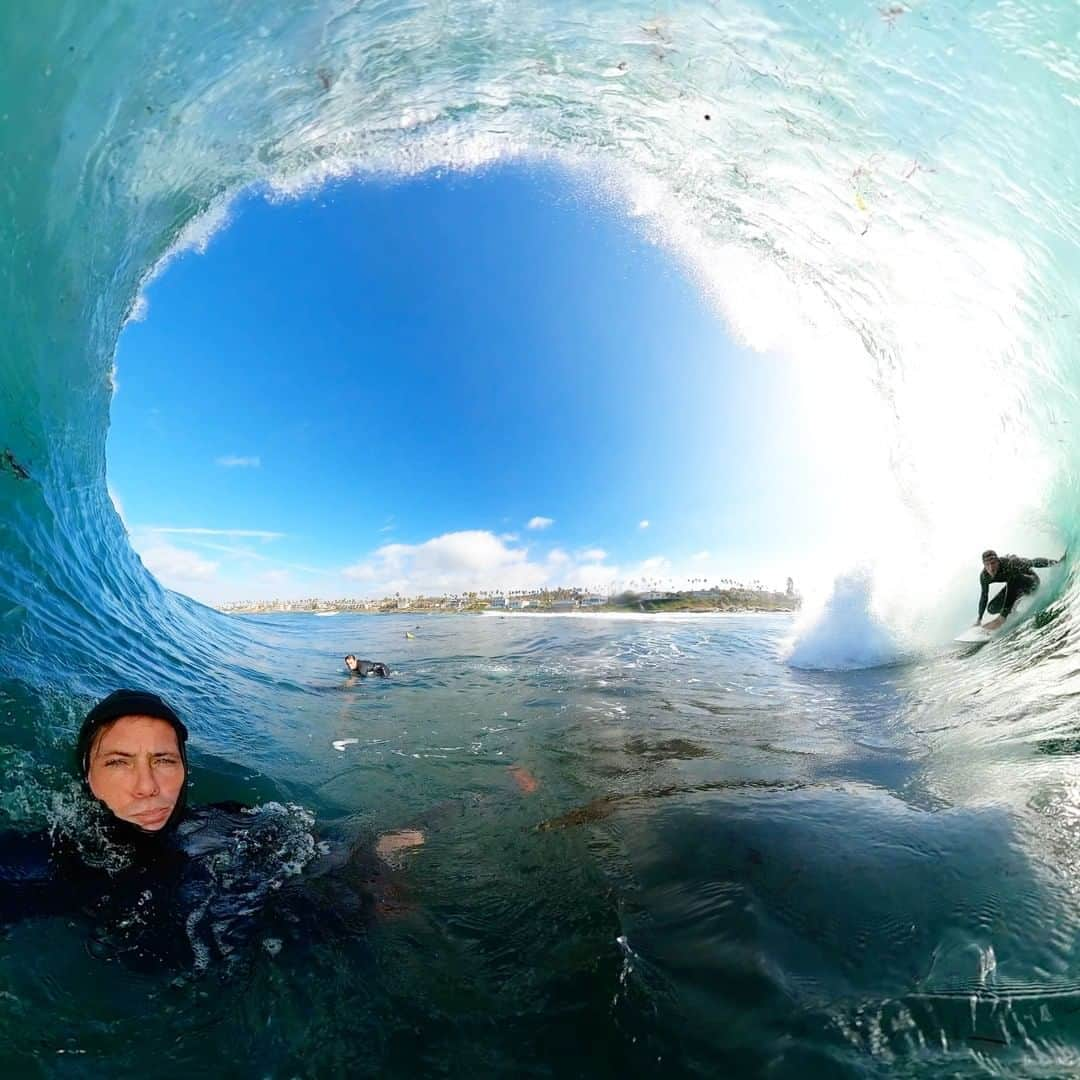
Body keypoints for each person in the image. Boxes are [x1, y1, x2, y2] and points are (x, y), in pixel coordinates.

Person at [0, 689, 422, 970]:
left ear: (184, 769)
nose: (147, 787)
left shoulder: (223, 820)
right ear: (87, 777)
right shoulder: (52, 858)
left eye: (164, 760)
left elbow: (324, 844)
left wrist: (376, 858)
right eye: (118, 762)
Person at [976, 549, 1062, 631]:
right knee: (992, 608)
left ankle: (1003, 617)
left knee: (1013, 578)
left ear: (998, 561)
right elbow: (984, 596)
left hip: (1031, 583)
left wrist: (1056, 563)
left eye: (993, 563)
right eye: (987, 565)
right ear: (984, 565)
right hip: (1016, 589)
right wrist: (979, 618)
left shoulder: (1010, 563)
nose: (991, 568)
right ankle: (1012, 611)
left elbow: (1033, 562)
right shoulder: (984, 576)